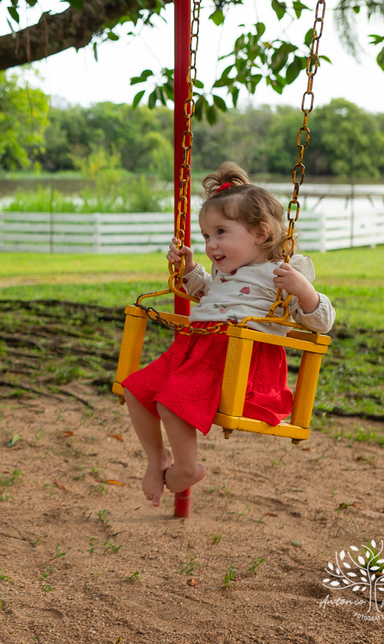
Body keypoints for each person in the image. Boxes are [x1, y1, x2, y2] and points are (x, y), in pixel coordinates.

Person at [120, 162, 335, 507]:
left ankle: (186, 469)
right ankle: (157, 458)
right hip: (193, 349)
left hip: (234, 360)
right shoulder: (225, 271)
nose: (211, 244)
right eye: (206, 236)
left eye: (221, 232)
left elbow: (322, 322)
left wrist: (305, 290)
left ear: (260, 233)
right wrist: (189, 268)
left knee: (171, 403)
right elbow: (209, 294)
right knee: (135, 389)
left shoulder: (282, 274)